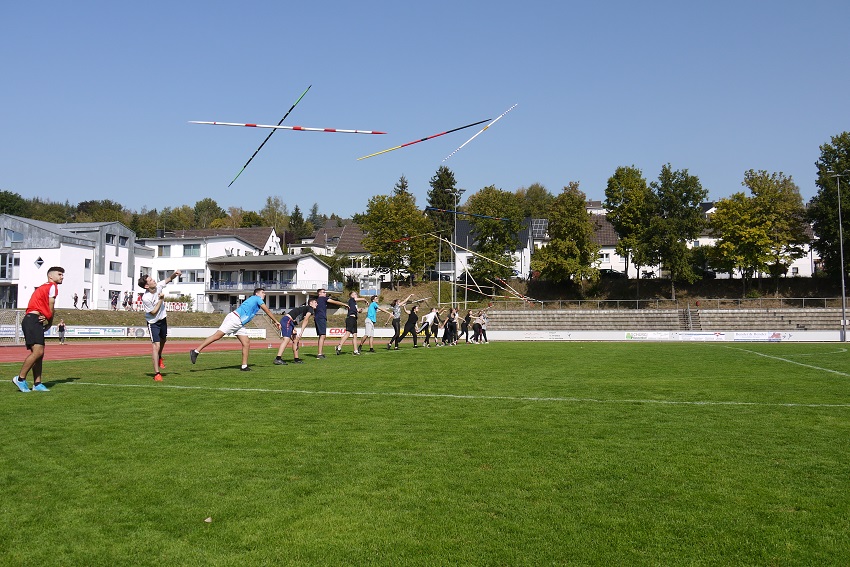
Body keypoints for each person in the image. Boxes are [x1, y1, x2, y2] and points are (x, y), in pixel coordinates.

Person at [189, 287, 281, 371]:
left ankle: (244, 366)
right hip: (234, 319)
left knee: (246, 343)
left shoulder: (255, 300)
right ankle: (196, 351)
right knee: (217, 336)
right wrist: (276, 321)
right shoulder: (257, 298)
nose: (264, 294)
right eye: (262, 292)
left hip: (239, 323)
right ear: (257, 294)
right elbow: (267, 310)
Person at [12, 266, 65, 392]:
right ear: (50, 276)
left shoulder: (43, 287)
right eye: (59, 274)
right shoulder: (52, 286)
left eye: (62, 275)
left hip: (32, 319)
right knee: (38, 352)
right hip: (32, 320)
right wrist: (49, 321)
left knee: (39, 354)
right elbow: (51, 306)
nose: (62, 277)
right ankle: (20, 379)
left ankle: (37, 383)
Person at [139, 270, 182, 381]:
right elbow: (153, 312)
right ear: (146, 286)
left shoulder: (158, 286)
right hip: (153, 322)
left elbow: (168, 279)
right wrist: (161, 300)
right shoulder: (146, 298)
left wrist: (175, 274)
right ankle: (157, 374)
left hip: (163, 319)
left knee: (163, 340)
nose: (154, 280)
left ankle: (159, 357)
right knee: (155, 346)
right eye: (151, 280)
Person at [275, 298, 318, 365]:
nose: (317, 304)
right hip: (287, 321)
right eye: (315, 302)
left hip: (290, 322)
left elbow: (295, 316)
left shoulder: (305, 309)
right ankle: (278, 358)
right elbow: (306, 320)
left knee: (296, 340)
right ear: (311, 303)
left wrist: (293, 327)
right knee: (286, 339)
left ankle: (296, 359)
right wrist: (301, 331)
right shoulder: (310, 308)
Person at [313, 288, 349, 359]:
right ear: (319, 294)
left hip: (318, 318)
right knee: (322, 335)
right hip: (321, 318)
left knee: (321, 336)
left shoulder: (317, 301)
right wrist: (344, 304)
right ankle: (319, 354)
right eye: (323, 292)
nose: (325, 293)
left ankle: (320, 353)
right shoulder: (323, 299)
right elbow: (334, 302)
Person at [336, 291, 368, 355]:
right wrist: (364, 299)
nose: (356, 295)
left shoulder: (354, 304)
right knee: (347, 334)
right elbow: (356, 299)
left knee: (355, 335)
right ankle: (339, 346)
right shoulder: (351, 300)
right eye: (355, 294)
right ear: (352, 296)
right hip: (350, 318)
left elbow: (357, 310)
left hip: (354, 319)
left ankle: (355, 350)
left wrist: (360, 310)